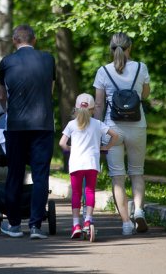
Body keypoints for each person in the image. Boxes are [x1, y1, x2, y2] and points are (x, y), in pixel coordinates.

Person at [0, 24, 56, 240]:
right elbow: (50, 91)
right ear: (35, 39)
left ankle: (13, 225)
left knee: (15, 172)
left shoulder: (6, 62)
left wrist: (8, 112)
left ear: (15, 41)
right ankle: (36, 227)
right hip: (43, 124)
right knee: (40, 175)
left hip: (17, 126)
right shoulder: (48, 59)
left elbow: (2, 97)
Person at [93, 32, 151, 235]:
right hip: (137, 125)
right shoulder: (141, 67)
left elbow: (99, 104)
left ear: (111, 49)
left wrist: (98, 130)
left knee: (117, 177)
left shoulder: (103, 71)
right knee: (137, 172)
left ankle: (126, 223)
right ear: (130, 47)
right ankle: (139, 211)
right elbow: (144, 95)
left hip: (112, 128)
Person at [59, 93, 120, 239]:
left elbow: (62, 143)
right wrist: (106, 147)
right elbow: (115, 135)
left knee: (76, 193)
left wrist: (69, 149)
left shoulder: (71, 124)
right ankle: (88, 221)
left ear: (76, 109)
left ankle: (76, 225)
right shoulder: (98, 124)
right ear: (93, 109)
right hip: (92, 163)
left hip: (76, 164)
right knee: (90, 191)